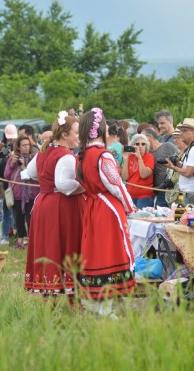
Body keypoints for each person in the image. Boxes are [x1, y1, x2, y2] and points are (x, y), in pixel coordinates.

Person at [76, 107, 136, 315]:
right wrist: (130, 207)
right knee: (110, 252)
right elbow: (116, 185)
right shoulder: (103, 156)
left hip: (92, 206)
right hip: (108, 208)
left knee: (95, 252)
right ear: (100, 130)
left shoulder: (82, 156)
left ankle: (94, 302)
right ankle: (106, 306)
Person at [23, 111, 84, 300]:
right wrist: (85, 187)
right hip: (60, 206)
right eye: (76, 132)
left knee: (48, 248)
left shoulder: (44, 151)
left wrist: (45, 179)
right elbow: (63, 184)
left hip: (43, 203)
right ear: (65, 134)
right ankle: (73, 298)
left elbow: (29, 173)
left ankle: (48, 297)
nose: (79, 136)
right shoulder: (66, 155)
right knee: (65, 247)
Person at [4, 135, 39, 249]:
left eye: (27, 145)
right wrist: (12, 164)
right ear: (18, 147)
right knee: (18, 218)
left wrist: (24, 167)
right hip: (17, 194)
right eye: (23, 145)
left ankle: (32, 240)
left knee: (30, 218)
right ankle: (20, 240)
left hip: (31, 194)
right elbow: (6, 175)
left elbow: (35, 176)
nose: (26, 147)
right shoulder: (12, 158)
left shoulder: (34, 158)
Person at [165, 118, 194, 206]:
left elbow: (188, 173)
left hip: (191, 193)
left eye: (184, 131)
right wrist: (178, 164)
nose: (181, 133)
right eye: (181, 131)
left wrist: (173, 167)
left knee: (188, 218)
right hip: (189, 192)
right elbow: (188, 169)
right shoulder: (192, 147)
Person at [143, 128, 177, 208]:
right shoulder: (147, 152)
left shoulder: (167, 146)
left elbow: (180, 158)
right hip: (155, 189)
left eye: (143, 138)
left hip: (168, 188)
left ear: (150, 137)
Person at [121, 133, 154, 209]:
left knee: (141, 219)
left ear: (146, 146)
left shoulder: (149, 157)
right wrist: (125, 159)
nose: (140, 146)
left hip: (144, 197)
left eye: (143, 144)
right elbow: (125, 177)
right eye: (137, 144)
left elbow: (144, 175)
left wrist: (139, 157)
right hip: (130, 195)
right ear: (133, 145)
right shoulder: (130, 157)